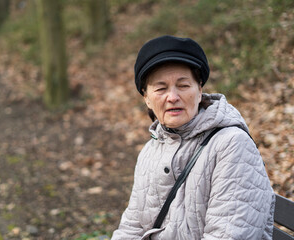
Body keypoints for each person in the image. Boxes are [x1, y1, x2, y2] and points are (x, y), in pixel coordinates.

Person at [111, 35, 275, 240]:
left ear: (200, 91)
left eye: (183, 85)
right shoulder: (150, 151)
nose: (172, 97)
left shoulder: (232, 145)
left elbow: (229, 235)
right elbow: (131, 228)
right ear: (146, 98)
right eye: (161, 88)